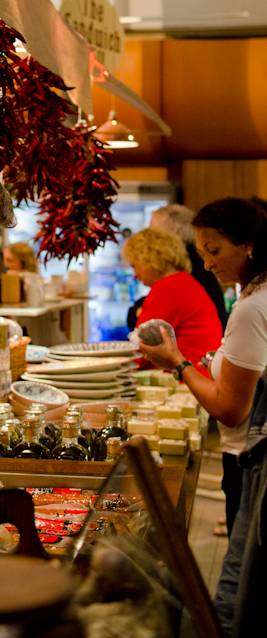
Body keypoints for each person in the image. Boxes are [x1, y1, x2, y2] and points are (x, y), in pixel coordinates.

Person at [139, 197, 267, 543]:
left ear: (248, 244)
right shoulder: (256, 294)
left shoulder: (251, 308)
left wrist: (178, 363)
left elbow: (230, 409)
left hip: (248, 461)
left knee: (240, 574)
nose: (207, 263)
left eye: (214, 250)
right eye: (202, 252)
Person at [123, 228, 222, 374]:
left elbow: (140, 349)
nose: (135, 275)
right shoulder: (184, 281)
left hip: (186, 381)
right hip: (201, 374)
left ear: (148, 259)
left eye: (134, 265)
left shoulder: (168, 287)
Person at [127, 204, 228, 331]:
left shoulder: (176, 278)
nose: (135, 275)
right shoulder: (186, 272)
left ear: (165, 239)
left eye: (152, 236)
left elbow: (144, 335)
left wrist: (138, 311)